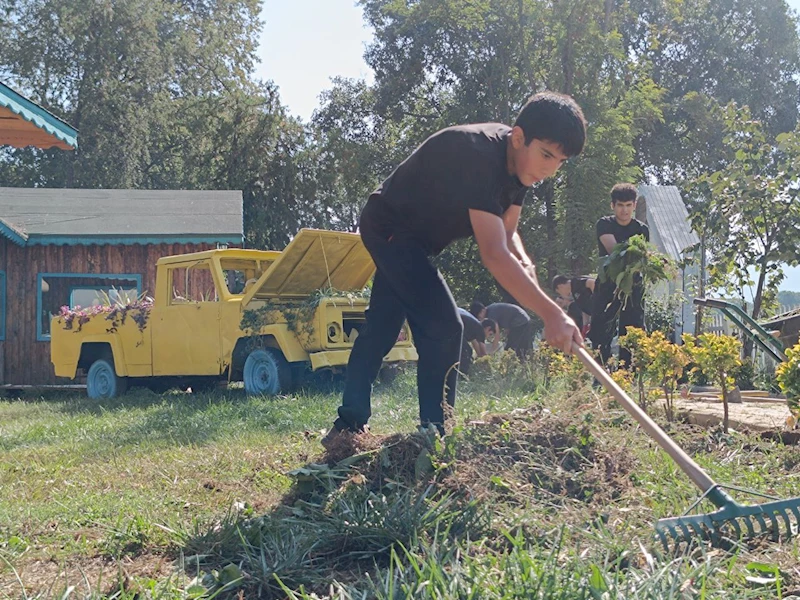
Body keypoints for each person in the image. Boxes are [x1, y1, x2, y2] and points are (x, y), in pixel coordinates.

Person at [321, 91, 587, 448]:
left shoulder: (520, 169)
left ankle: (346, 426)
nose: (550, 169)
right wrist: (552, 314)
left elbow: (508, 234)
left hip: (416, 242)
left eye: (560, 162)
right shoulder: (479, 156)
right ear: (519, 137)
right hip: (390, 227)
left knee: (382, 327)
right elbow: (493, 253)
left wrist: (525, 261)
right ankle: (434, 435)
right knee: (446, 325)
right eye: (546, 155)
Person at [588, 183, 650, 367]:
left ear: (634, 205)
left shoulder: (642, 229)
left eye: (628, 205)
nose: (625, 210)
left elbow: (644, 257)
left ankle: (627, 374)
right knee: (601, 329)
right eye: (620, 205)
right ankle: (600, 374)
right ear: (613, 206)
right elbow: (614, 251)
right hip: (608, 284)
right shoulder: (604, 224)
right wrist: (636, 256)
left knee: (631, 332)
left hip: (634, 286)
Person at [469, 301, 534, 360]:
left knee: (509, 350)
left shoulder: (491, 314)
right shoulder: (491, 310)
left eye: (480, 317)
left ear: (482, 311)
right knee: (522, 349)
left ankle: (508, 367)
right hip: (524, 320)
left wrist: (492, 351)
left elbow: (497, 334)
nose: (481, 320)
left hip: (520, 321)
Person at [457, 308, 488, 375]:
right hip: (454, 323)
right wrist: (488, 368)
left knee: (466, 350)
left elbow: (477, 349)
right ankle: (462, 375)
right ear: (488, 328)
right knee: (466, 351)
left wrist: (478, 360)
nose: (488, 336)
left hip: (450, 319)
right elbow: (484, 354)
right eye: (490, 334)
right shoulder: (480, 329)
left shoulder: (473, 326)